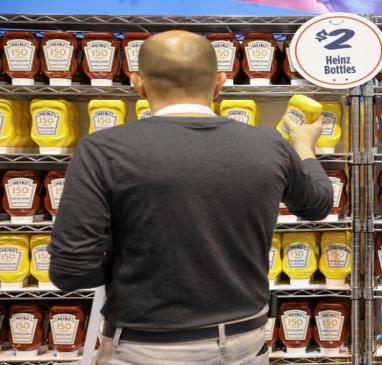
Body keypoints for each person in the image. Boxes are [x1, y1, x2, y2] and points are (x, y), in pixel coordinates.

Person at [48, 30, 333, 364]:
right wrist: (303, 147)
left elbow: (70, 272)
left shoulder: (104, 149)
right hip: (244, 343)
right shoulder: (270, 145)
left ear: (138, 82)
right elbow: (317, 204)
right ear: (220, 82)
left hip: (144, 348)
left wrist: (133, 271)